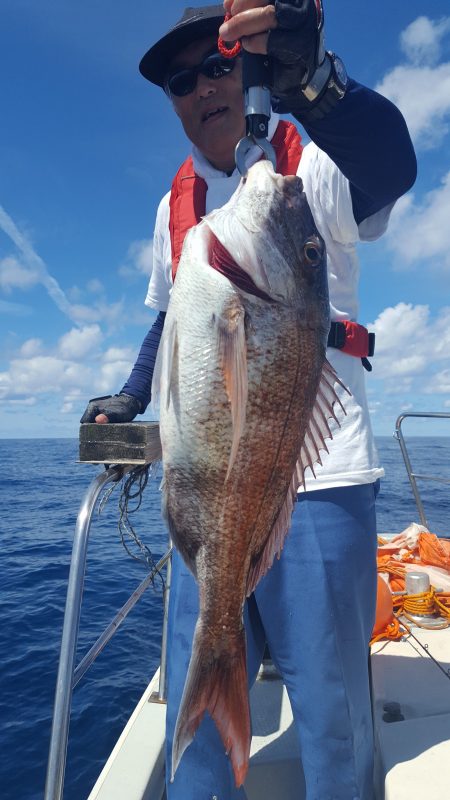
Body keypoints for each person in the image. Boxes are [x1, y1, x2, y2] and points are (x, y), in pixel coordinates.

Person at [81, 3, 417, 798]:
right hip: (204, 495)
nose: (202, 87)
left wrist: (317, 83)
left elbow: (393, 167)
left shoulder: (311, 163)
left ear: (252, 70)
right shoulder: (178, 206)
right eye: (180, 78)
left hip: (322, 483)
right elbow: (172, 318)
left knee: (333, 718)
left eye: (221, 65)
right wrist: (131, 397)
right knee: (190, 716)